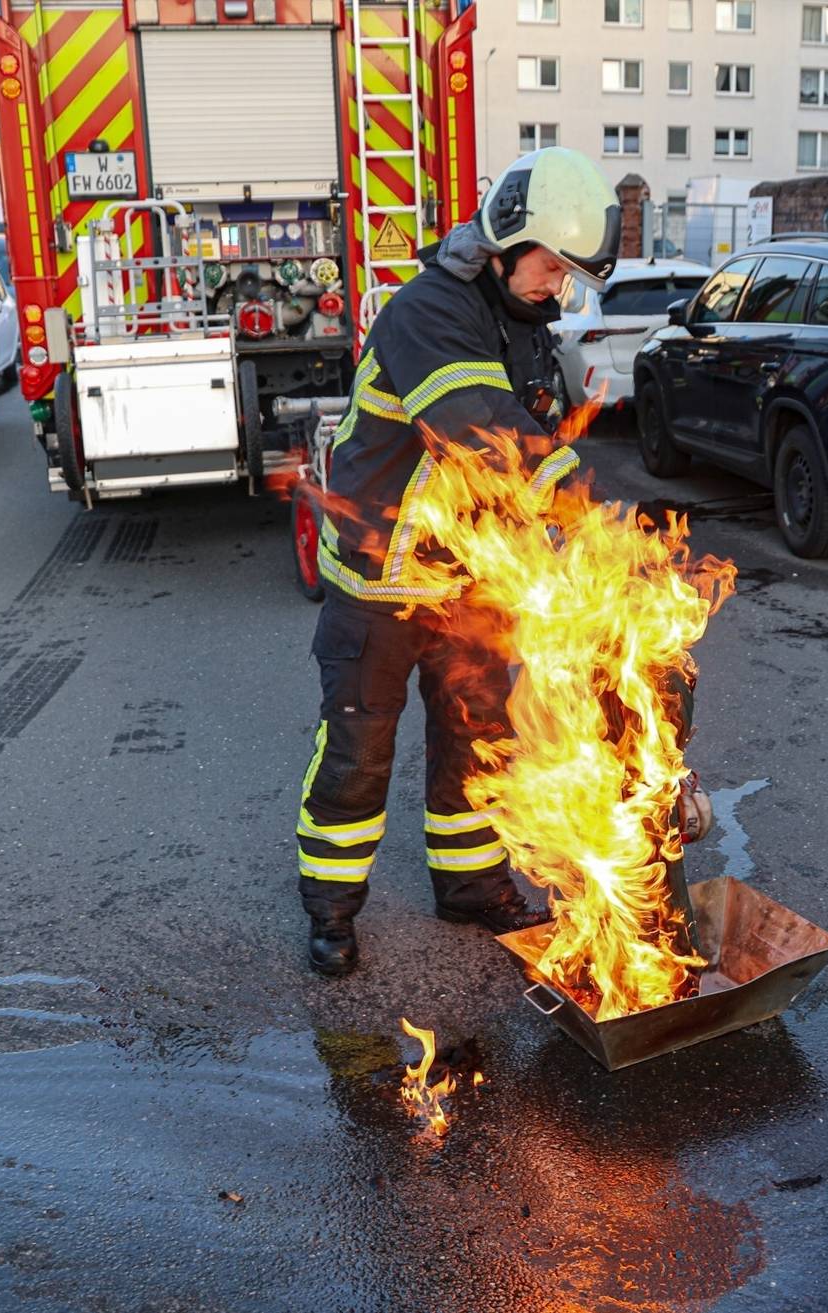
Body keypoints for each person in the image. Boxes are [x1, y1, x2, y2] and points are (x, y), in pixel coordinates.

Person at [295, 147, 620, 977]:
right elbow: (481, 426)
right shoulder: (428, 311)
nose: (559, 286)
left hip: (471, 585)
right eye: (552, 266)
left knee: (479, 743)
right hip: (380, 580)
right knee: (358, 752)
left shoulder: (524, 323)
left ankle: (469, 885)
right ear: (508, 242)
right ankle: (332, 911)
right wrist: (577, 504)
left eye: (569, 274)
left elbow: (537, 414)